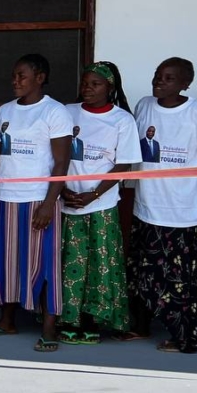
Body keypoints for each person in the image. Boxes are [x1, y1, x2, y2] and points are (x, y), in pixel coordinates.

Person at [0, 54, 72, 353]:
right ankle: (7, 320)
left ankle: (48, 329)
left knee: (44, 264)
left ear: (40, 77)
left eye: (22, 76)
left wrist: (48, 204)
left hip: (37, 199)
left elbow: (61, 162)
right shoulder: (4, 111)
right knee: (6, 262)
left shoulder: (54, 112)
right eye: (14, 76)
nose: (15, 81)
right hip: (6, 197)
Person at [58, 61, 139, 346]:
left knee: (98, 265)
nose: (87, 88)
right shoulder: (67, 112)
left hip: (100, 205)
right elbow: (54, 154)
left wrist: (93, 194)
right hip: (67, 201)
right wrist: (62, 189)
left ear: (110, 88)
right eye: (85, 82)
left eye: (95, 84)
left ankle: (93, 321)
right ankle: (68, 319)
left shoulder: (122, 120)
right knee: (67, 264)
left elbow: (124, 164)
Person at [126, 57, 197, 353]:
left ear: (185, 84)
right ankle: (141, 326)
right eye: (158, 75)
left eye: (169, 78)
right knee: (141, 273)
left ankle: (183, 337)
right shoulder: (144, 105)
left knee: (178, 281)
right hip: (146, 207)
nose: (159, 81)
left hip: (182, 213)